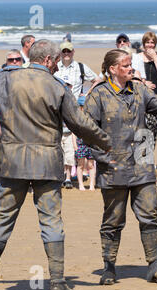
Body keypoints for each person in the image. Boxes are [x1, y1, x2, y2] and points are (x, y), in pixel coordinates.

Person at [0, 39, 113, 290]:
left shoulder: (6, 78)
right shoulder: (57, 87)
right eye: (54, 62)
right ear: (47, 60)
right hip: (46, 165)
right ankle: (57, 285)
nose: (56, 66)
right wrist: (105, 141)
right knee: (51, 222)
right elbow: (80, 124)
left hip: (12, 164)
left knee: (1, 223)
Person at [83, 49, 157, 286]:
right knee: (113, 221)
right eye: (126, 65)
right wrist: (103, 157)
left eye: (131, 65)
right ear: (113, 69)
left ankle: (154, 267)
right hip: (113, 168)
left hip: (142, 165)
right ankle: (109, 267)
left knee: (150, 216)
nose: (131, 69)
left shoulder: (140, 90)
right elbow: (87, 130)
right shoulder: (98, 95)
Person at [54, 41, 102, 190]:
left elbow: (97, 80)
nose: (66, 54)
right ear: (60, 53)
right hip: (56, 108)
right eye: (64, 52)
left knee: (73, 141)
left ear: (73, 52)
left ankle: (70, 176)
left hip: (75, 108)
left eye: (69, 51)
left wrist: (87, 94)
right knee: (58, 139)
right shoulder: (55, 67)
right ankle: (61, 174)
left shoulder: (80, 67)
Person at [139, 31, 157, 146]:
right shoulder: (138, 57)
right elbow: (132, 77)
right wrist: (144, 82)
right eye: (147, 42)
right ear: (144, 43)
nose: (150, 45)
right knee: (144, 130)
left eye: (152, 43)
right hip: (142, 98)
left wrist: (154, 58)